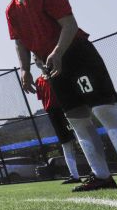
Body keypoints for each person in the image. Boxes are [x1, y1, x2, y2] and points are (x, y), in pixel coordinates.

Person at [0, 0, 117, 191]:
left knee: (103, 110)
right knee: (77, 119)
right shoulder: (11, 11)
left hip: (78, 56)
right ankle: (102, 176)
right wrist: (24, 69)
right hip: (53, 68)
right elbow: (20, 42)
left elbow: (70, 25)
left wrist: (57, 52)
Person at [33, 56, 85, 184]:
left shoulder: (58, 73)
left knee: (82, 137)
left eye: (39, 57)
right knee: (65, 142)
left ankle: (98, 171)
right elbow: (43, 99)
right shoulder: (38, 81)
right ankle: (74, 175)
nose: (38, 61)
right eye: (35, 59)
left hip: (66, 108)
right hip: (53, 113)